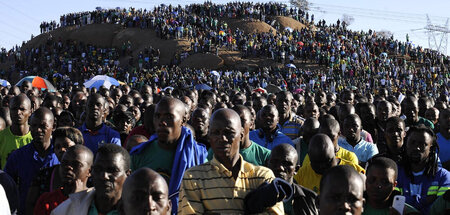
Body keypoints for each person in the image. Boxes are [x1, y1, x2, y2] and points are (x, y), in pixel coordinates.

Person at [178, 108, 284, 214]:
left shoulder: (263, 176)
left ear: (241, 134)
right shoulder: (193, 178)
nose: (222, 138)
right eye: (216, 132)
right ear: (209, 135)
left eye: (228, 132)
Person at [131, 97, 208, 214]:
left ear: (183, 120)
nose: (162, 122)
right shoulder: (139, 154)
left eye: (169, 117)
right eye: (158, 116)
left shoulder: (198, 155)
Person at [4, 107, 60, 215]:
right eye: (34, 126)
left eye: (43, 126)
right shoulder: (18, 156)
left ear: (53, 126)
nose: (38, 130)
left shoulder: (61, 156)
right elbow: (7, 188)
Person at [51, 144, 131, 215]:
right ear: (91, 171)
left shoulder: (138, 210)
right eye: (98, 169)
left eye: (112, 170)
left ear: (128, 174)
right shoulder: (66, 210)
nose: (104, 176)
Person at [26, 127, 84, 215]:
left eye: (66, 146)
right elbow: (30, 204)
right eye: (58, 147)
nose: (62, 150)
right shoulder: (44, 175)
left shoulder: (89, 176)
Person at [396, 126, 450, 214]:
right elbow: (392, 203)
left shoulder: (444, 177)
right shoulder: (395, 173)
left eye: (422, 144)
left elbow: (441, 208)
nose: (416, 148)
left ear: (431, 148)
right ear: (406, 144)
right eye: (412, 143)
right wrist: (426, 200)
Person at [294, 134, 364, 194]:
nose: (322, 166)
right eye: (316, 163)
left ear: (334, 152)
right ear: (309, 156)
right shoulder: (302, 174)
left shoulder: (353, 171)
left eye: (327, 162)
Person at [34, 145, 94, 215]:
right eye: (64, 163)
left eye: (76, 164)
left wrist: (77, 200)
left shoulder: (94, 201)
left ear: (90, 171)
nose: (68, 167)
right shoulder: (47, 200)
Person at [207, 105, 271, 166]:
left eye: (242, 120)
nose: (238, 124)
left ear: (251, 124)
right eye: (233, 121)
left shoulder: (265, 155)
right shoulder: (216, 151)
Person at [267, 144, 318, 215]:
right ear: (267, 164)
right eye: (275, 162)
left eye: (286, 163)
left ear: (296, 169)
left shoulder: (310, 199)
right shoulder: (256, 196)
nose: (280, 167)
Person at [0, 94, 33, 168]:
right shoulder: (1, 137)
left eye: (22, 109)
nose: (18, 112)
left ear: (30, 111)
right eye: (14, 109)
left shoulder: (36, 137)